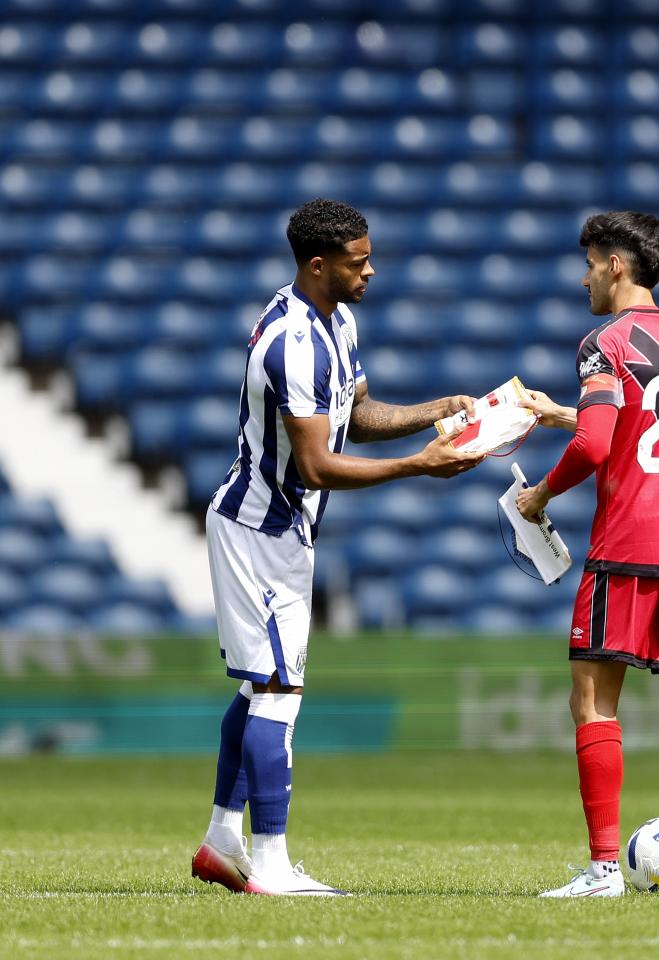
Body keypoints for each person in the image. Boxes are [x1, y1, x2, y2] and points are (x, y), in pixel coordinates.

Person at [191, 198, 484, 896]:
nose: (371, 271)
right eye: (359, 262)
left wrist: (432, 413)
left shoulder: (338, 321)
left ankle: (222, 838)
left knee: (262, 685)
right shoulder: (292, 342)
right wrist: (421, 466)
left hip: (285, 532)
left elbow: (359, 415)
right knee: (278, 693)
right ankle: (268, 864)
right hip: (258, 532)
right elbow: (319, 463)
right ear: (318, 265)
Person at [516, 211, 659, 899]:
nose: (583, 277)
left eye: (588, 263)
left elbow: (595, 445)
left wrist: (540, 497)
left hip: (628, 546)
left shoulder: (604, 342)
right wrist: (562, 413)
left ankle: (605, 870)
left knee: (593, 705)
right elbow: (647, 426)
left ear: (615, 264)